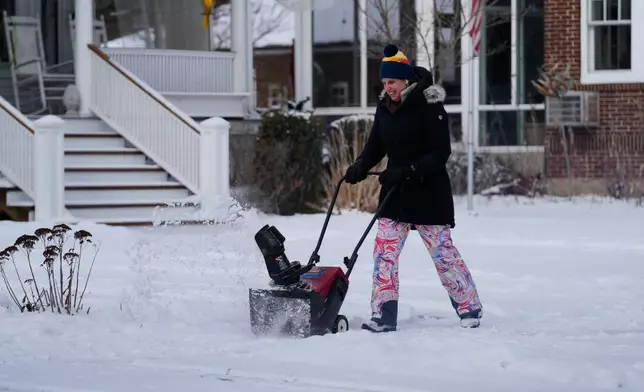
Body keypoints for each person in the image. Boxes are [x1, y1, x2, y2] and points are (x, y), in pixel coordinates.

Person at [344, 44, 483, 332]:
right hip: (396, 194)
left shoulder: (430, 105)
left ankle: (469, 306)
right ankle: (383, 313)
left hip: (428, 191)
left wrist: (408, 171)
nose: (388, 88)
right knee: (384, 252)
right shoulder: (385, 106)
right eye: (384, 83)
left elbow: (440, 152)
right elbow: (376, 145)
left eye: (391, 82)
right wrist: (360, 165)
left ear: (405, 80)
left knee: (442, 253)